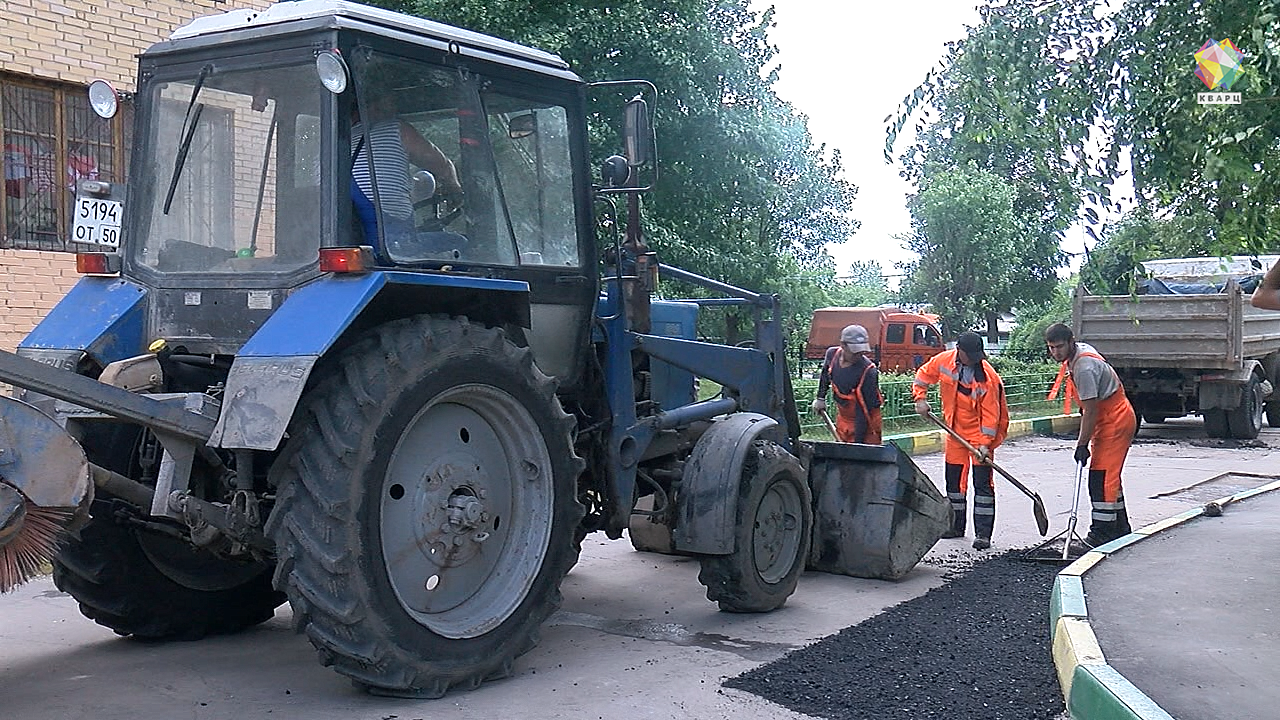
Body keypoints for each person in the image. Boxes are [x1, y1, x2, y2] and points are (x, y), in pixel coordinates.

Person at [912, 331, 1009, 550]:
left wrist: (985, 444)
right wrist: (920, 398)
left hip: (980, 435)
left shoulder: (988, 378)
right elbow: (923, 375)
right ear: (959, 351)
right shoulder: (944, 360)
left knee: (982, 484)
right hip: (954, 430)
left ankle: (983, 534)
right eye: (971, 354)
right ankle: (955, 526)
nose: (976, 359)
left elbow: (991, 415)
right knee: (954, 482)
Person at [1044, 322, 1137, 547]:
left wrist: (1081, 444)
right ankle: (1121, 529)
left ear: (1071, 342)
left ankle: (1101, 534)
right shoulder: (1078, 355)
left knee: (1101, 478)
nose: (1055, 352)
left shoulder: (1084, 367)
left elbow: (1091, 409)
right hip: (1109, 419)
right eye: (1051, 348)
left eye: (1059, 347)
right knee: (1108, 477)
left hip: (1115, 420)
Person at [350, 93, 463, 252]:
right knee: (459, 243)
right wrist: (454, 187)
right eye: (387, 107)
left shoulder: (334, 148)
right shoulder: (396, 129)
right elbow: (441, 165)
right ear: (370, 107)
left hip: (356, 250)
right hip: (391, 247)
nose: (392, 113)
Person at [811, 324, 883, 444]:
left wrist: (857, 446)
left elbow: (864, 411)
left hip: (867, 421)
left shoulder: (868, 371)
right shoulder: (832, 354)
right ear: (843, 345)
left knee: (864, 458)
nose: (858, 355)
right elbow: (825, 374)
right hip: (844, 417)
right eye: (855, 352)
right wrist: (820, 398)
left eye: (861, 352)